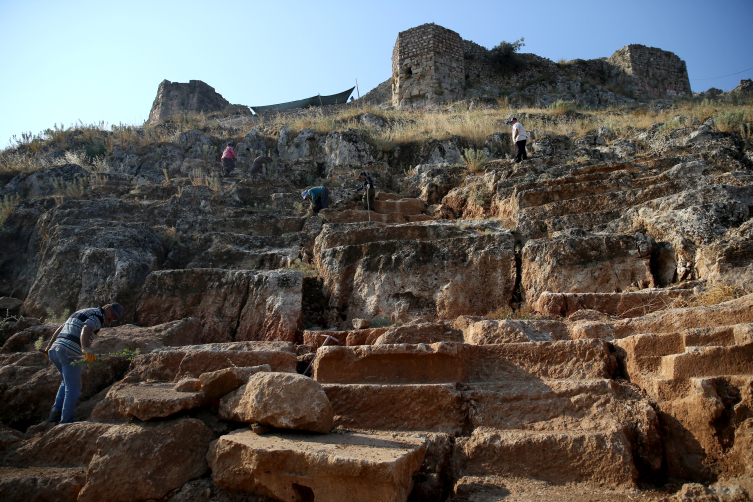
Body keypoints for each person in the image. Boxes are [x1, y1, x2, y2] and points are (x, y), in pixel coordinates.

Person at [43, 303, 124, 424]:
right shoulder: (98, 316)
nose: (111, 319)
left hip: (55, 350)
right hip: (69, 352)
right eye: (112, 315)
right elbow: (86, 328)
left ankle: (54, 415)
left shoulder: (83, 311)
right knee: (74, 388)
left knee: (66, 382)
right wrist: (85, 348)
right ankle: (65, 422)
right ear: (107, 308)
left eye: (114, 319)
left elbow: (62, 327)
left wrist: (49, 345)